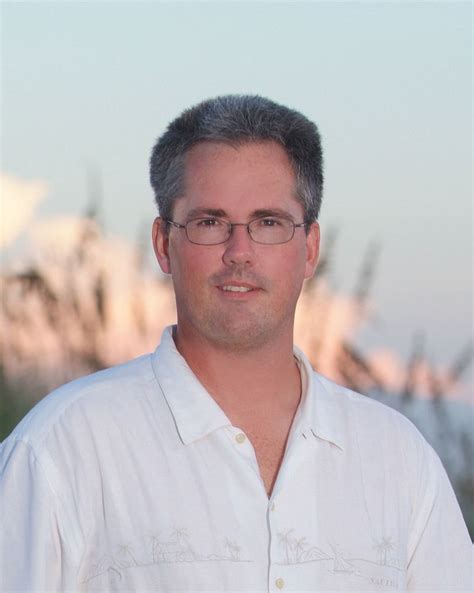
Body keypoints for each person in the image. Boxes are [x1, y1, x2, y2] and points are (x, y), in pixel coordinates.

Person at [0, 95, 471, 592]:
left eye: (268, 222)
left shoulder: (399, 461)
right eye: (210, 222)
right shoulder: (61, 450)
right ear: (163, 245)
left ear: (310, 249)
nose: (239, 252)